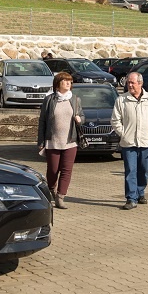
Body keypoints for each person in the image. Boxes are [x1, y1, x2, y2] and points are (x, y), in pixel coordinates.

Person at [111, 71, 148, 210]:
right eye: (128, 83)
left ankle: (140, 192)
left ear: (140, 83)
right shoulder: (121, 100)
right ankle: (131, 198)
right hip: (128, 143)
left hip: (146, 143)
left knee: (144, 170)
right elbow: (115, 120)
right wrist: (123, 133)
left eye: (132, 83)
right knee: (131, 171)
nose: (130, 85)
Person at [37, 71, 85, 209]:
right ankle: (51, 188)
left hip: (70, 141)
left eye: (70, 81)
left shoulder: (75, 99)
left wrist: (80, 119)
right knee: (53, 170)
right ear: (57, 85)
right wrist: (41, 141)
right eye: (65, 81)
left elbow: (82, 116)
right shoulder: (49, 100)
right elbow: (42, 121)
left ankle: (60, 196)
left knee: (66, 170)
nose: (68, 83)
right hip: (53, 141)